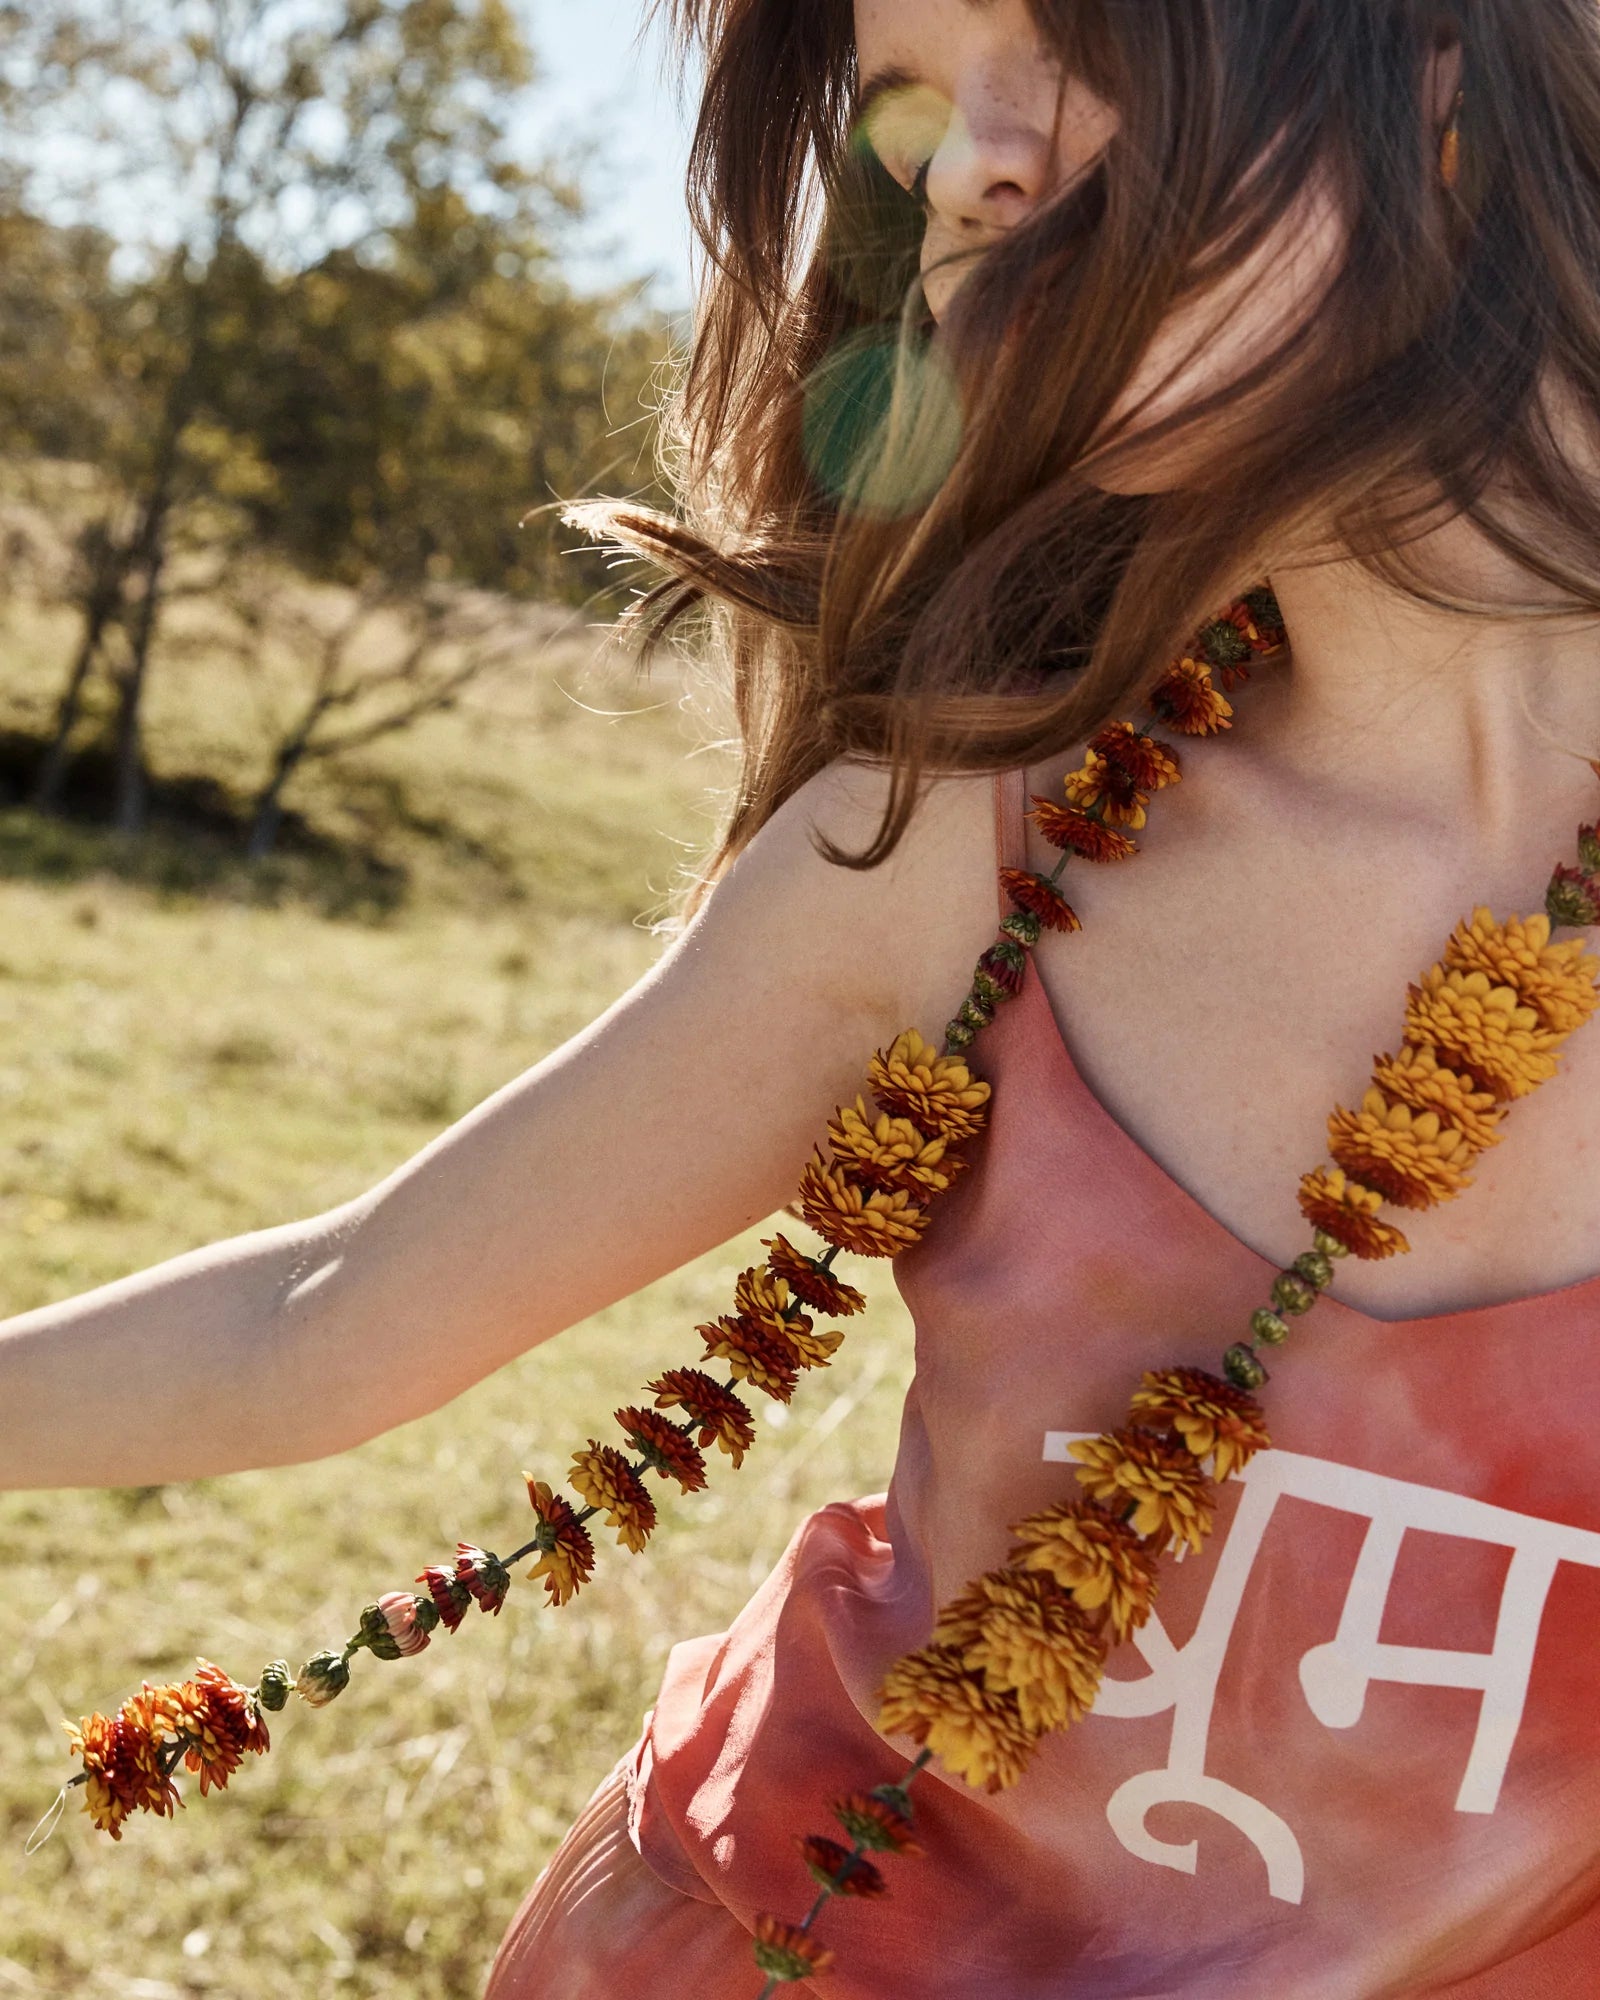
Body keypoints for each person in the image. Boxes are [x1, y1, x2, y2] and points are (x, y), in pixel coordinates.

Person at [8, 0, 1600, 1992]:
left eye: (1065, 33)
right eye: (910, 113)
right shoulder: (970, 843)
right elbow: (314, 1320)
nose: (967, 168)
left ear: (1426, 65)